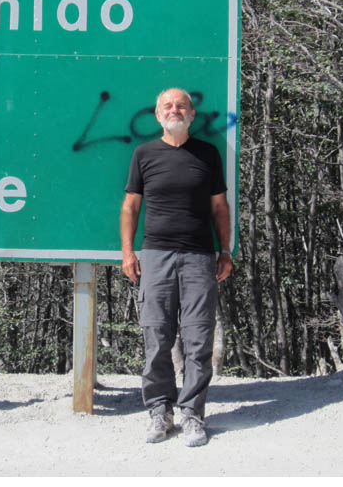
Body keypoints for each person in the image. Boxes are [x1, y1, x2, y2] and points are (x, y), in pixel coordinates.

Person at [120, 87, 233, 447]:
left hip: (200, 257)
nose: (175, 110)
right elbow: (130, 207)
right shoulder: (144, 154)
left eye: (181, 105)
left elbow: (220, 207)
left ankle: (193, 415)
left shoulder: (208, 154)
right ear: (158, 115)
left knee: (199, 340)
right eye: (168, 106)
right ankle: (159, 411)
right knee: (157, 337)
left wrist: (225, 249)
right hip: (155, 256)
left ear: (192, 114)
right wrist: (128, 252)